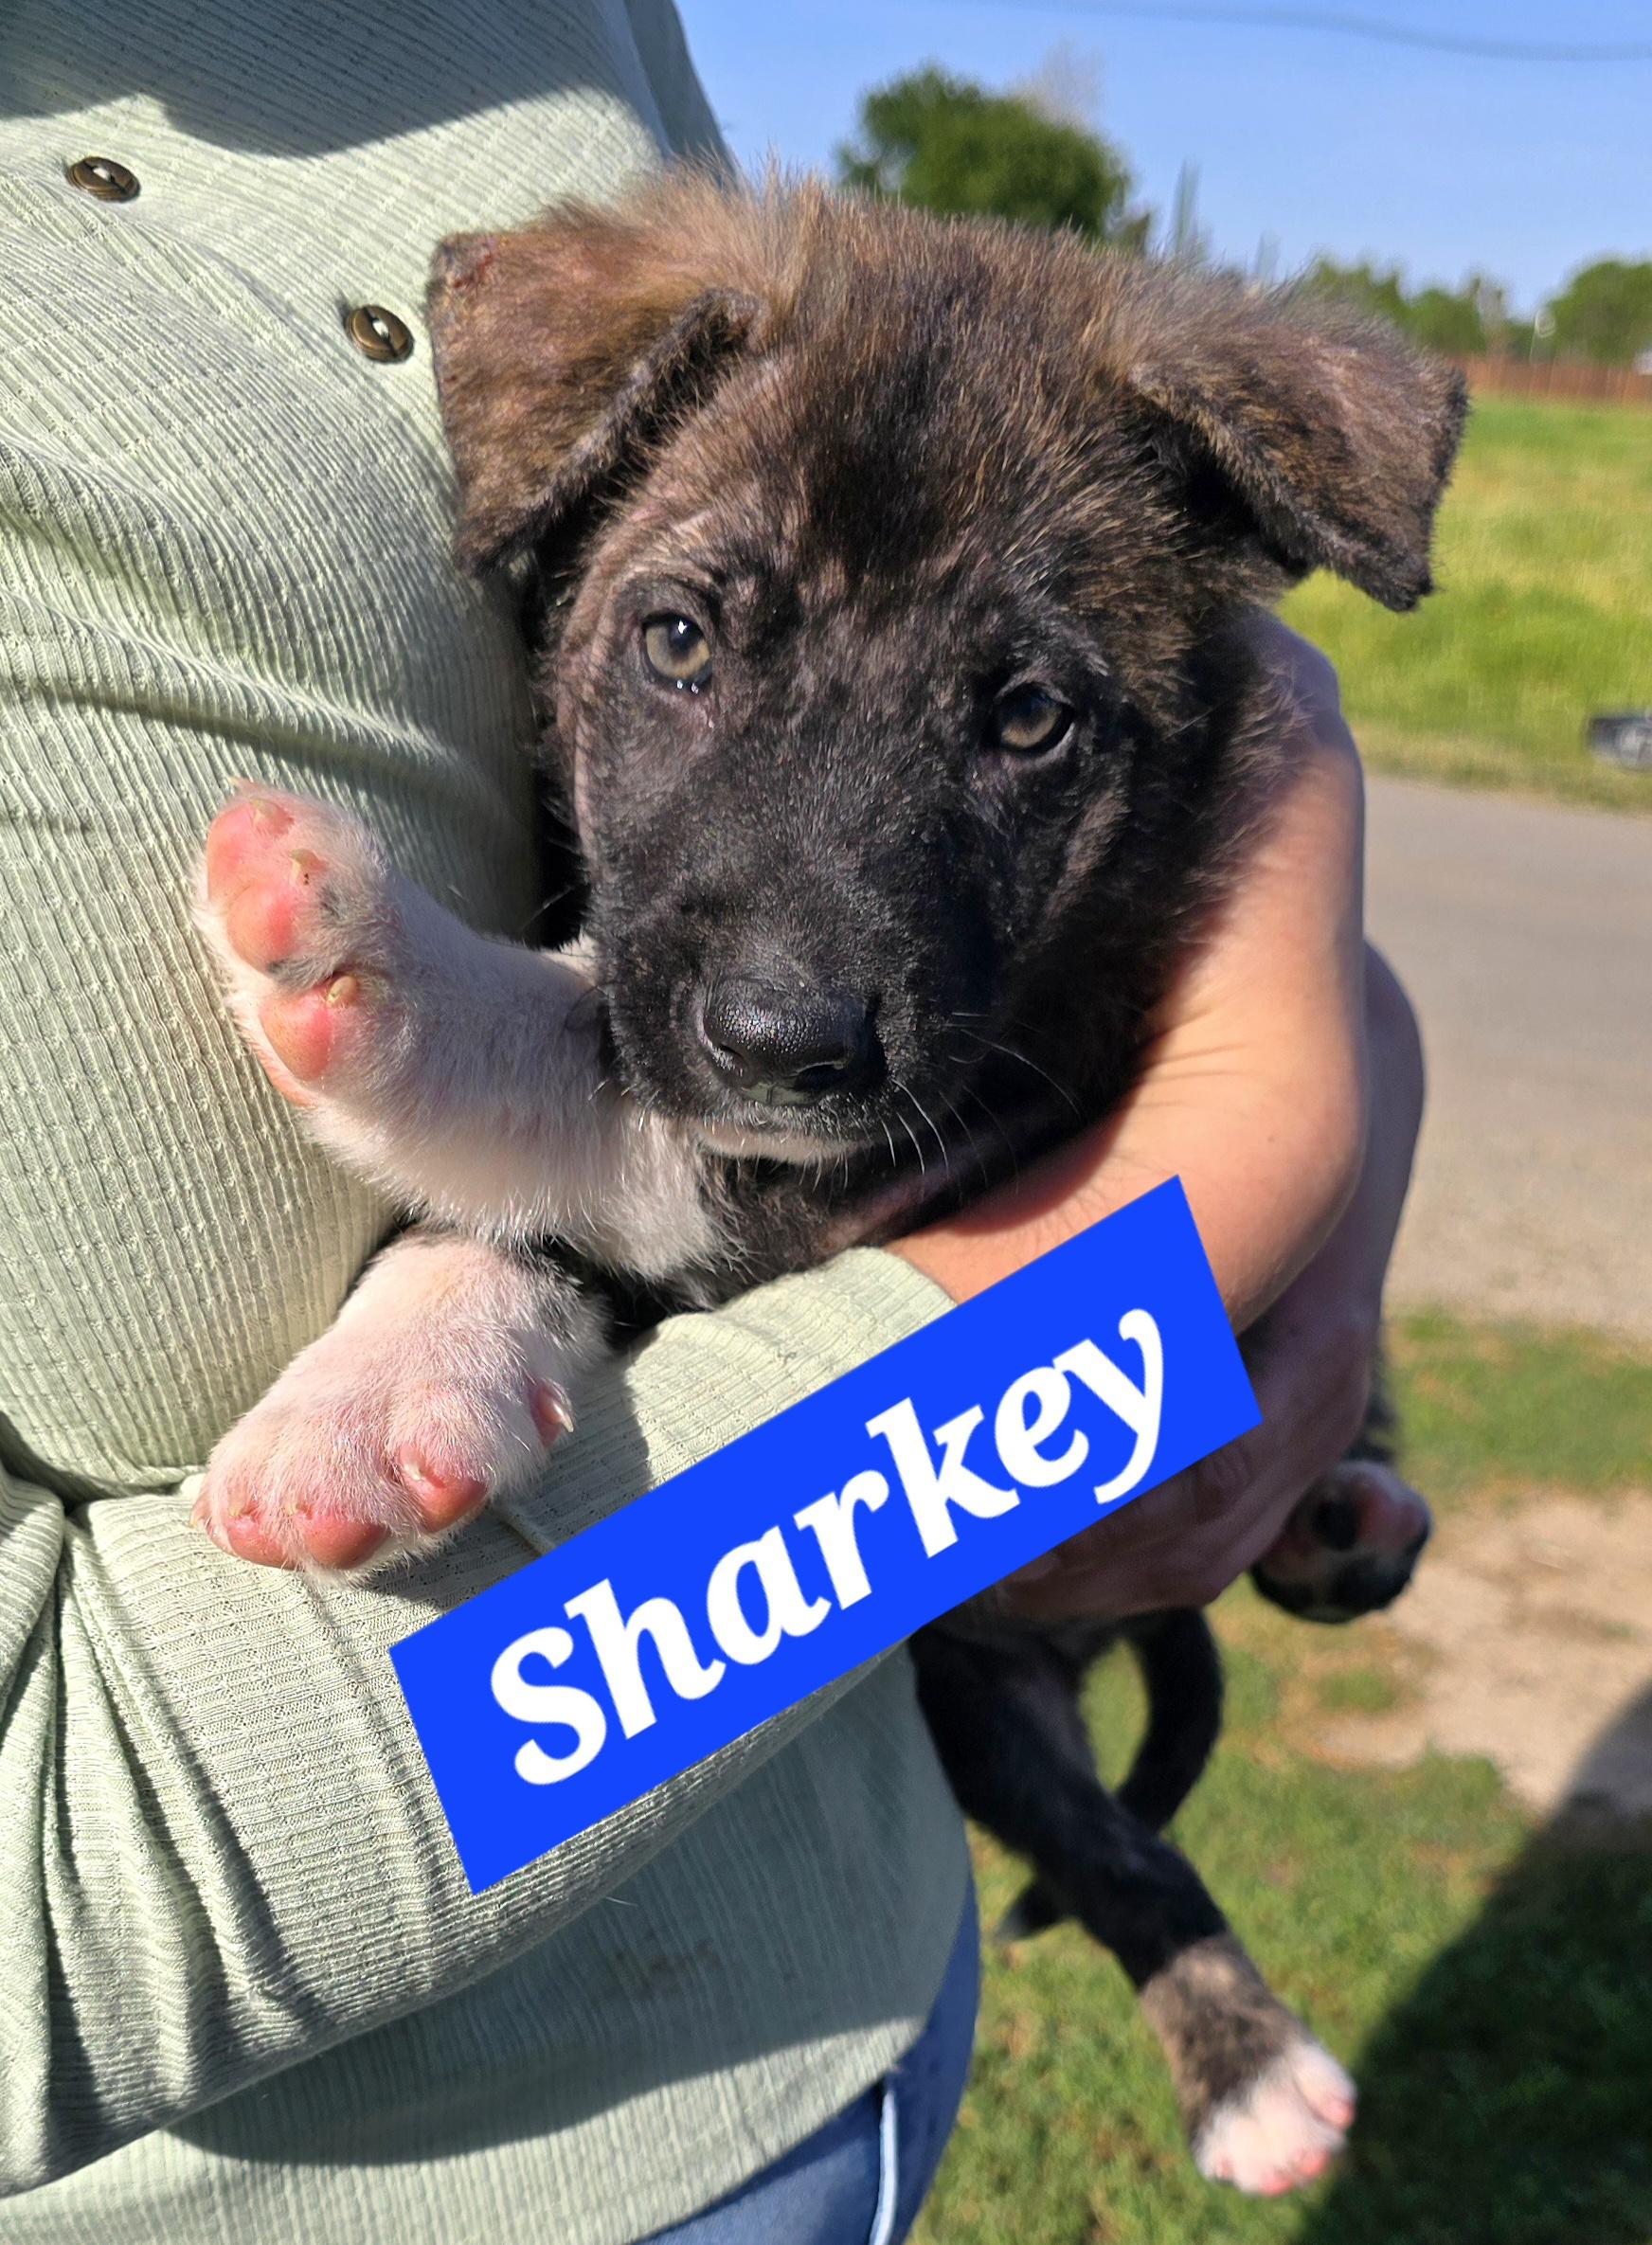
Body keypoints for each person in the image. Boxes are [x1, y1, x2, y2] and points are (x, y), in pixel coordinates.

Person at [0, 2, 1425, 2238]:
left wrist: (1315, 1072)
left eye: (1025, 719)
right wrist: (1075, 1334)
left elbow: (1252, 735)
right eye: (687, 643)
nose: (784, 974)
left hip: (841, 2006)